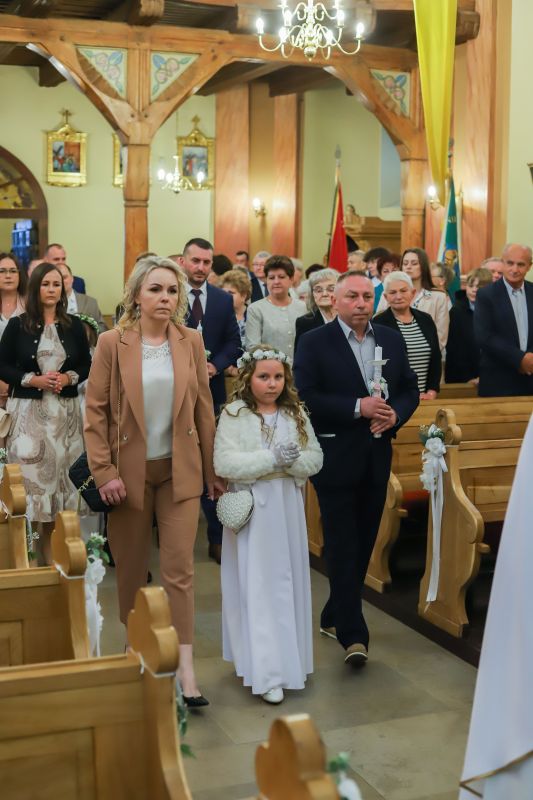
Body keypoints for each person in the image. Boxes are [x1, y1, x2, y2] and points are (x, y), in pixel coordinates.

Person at [84, 255, 222, 705]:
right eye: (156, 289)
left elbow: (203, 409)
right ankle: (134, 649)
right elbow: (95, 413)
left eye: (172, 290)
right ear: (137, 296)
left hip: (180, 471)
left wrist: (212, 471)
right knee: (130, 568)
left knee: (180, 571)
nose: (165, 298)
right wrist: (104, 472)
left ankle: (185, 668)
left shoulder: (191, 340)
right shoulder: (113, 342)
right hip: (128, 475)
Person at [294, 271, 419, 666]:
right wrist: (357, 407)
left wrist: (395, 414)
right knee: (342, 540)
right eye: (352, 296)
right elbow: (307, 395)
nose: (362, 303)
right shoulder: (315, 341)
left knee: (364, 539)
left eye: (367, 296)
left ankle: (334, 613)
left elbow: (410, 388)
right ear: (335, 300)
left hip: (377, 454)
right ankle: (353, 634)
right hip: (335, 455)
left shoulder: (390, 338)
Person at [214, 345, 323, 704]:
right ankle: (266, 671)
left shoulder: (295, 413)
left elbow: (315, 458)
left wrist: (292, 463)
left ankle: (290, 662)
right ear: (248, 378)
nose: (272, 383)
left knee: (285, 584)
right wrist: (269, 458)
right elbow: (224, 463)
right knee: (258, 586)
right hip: (254, 508)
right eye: (264, 376)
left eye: (278, 377)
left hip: (287, 507)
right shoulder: (234, 414)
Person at [0, 262, 91, 563]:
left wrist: (68, 378)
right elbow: (2, 365)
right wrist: (32, 380)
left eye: (56, 284)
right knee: (30, 493)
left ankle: (52, 559)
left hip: (65, 419)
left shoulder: (73, 325)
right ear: (35, 288)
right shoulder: (18, 325)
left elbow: (86, 364)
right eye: (45, 284)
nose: (51, 290)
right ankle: (27, 555)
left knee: (59, 495)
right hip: (30, 419)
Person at [181, 238, 241, 563]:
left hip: (211, 392)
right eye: (196, 261)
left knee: (210, 462)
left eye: (206, 262)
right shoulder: (170, 295)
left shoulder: (221, 299)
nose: (201, 267)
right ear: (183, 261)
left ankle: (216, 538)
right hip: (175, 393)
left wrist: (215, 365)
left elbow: (234, 342)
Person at [474, 243, 533, 397]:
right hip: (498, 381)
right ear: (503, 263)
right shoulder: (486, 294)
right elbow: (484, 336)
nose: (515, 269)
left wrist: (530, 358)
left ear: (529, 266)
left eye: (521, 264)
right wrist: (520, 359)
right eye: (510, 263)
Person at [374, 272, 441, 400]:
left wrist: (432, 391)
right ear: (386, 297)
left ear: (413, 292)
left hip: (426, 398)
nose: (398, 296)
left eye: (403, 291)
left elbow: (436, 358)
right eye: (392, 292)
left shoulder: (426, 319)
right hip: (394, 399)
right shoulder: (378, 323)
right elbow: (379, 366)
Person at [376, 248, 450, 351]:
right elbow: (378, 325)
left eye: (414, 263)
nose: (408, 267)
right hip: (394, 352)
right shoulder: (389, 293)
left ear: (423, 266)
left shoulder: (438, 297)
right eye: (405, 263)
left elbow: (441, 336)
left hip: (426, 353)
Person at [245, 255, 307, 360]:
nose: (276, 281)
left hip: (300, 367)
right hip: (269, 368)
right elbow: (253, 348)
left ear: (291, 279)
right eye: (271, 278)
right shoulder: (255, 309)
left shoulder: (302, 307)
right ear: (266, 280)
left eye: (281, 277)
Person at [445, 267, 492, 384]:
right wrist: (468, 377)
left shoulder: (494, 311)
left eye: (479, 287)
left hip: (489, 375)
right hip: (462, 377)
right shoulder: (456, 312)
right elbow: (455, 349)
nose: (474, 290)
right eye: (471, 286)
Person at [294, 268, 338, 353]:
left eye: (331, 289)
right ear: (312, 295)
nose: (324, 294)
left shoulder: (349, 319)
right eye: (318, 290)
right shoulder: (304, 322)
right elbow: (300, 356)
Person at [56, 263, 107, 332]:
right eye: (58, 278)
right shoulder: (48, 304)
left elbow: (103, 328)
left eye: (64, 277)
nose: (62, 281)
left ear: (72, 278)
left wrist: (88, 331)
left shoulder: (91, 302)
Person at [219, 268, 251, 354]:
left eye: (231, 293)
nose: (225, 296)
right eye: (223, 292)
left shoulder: (254, 314)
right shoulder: (218, 315)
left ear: (244, 295)